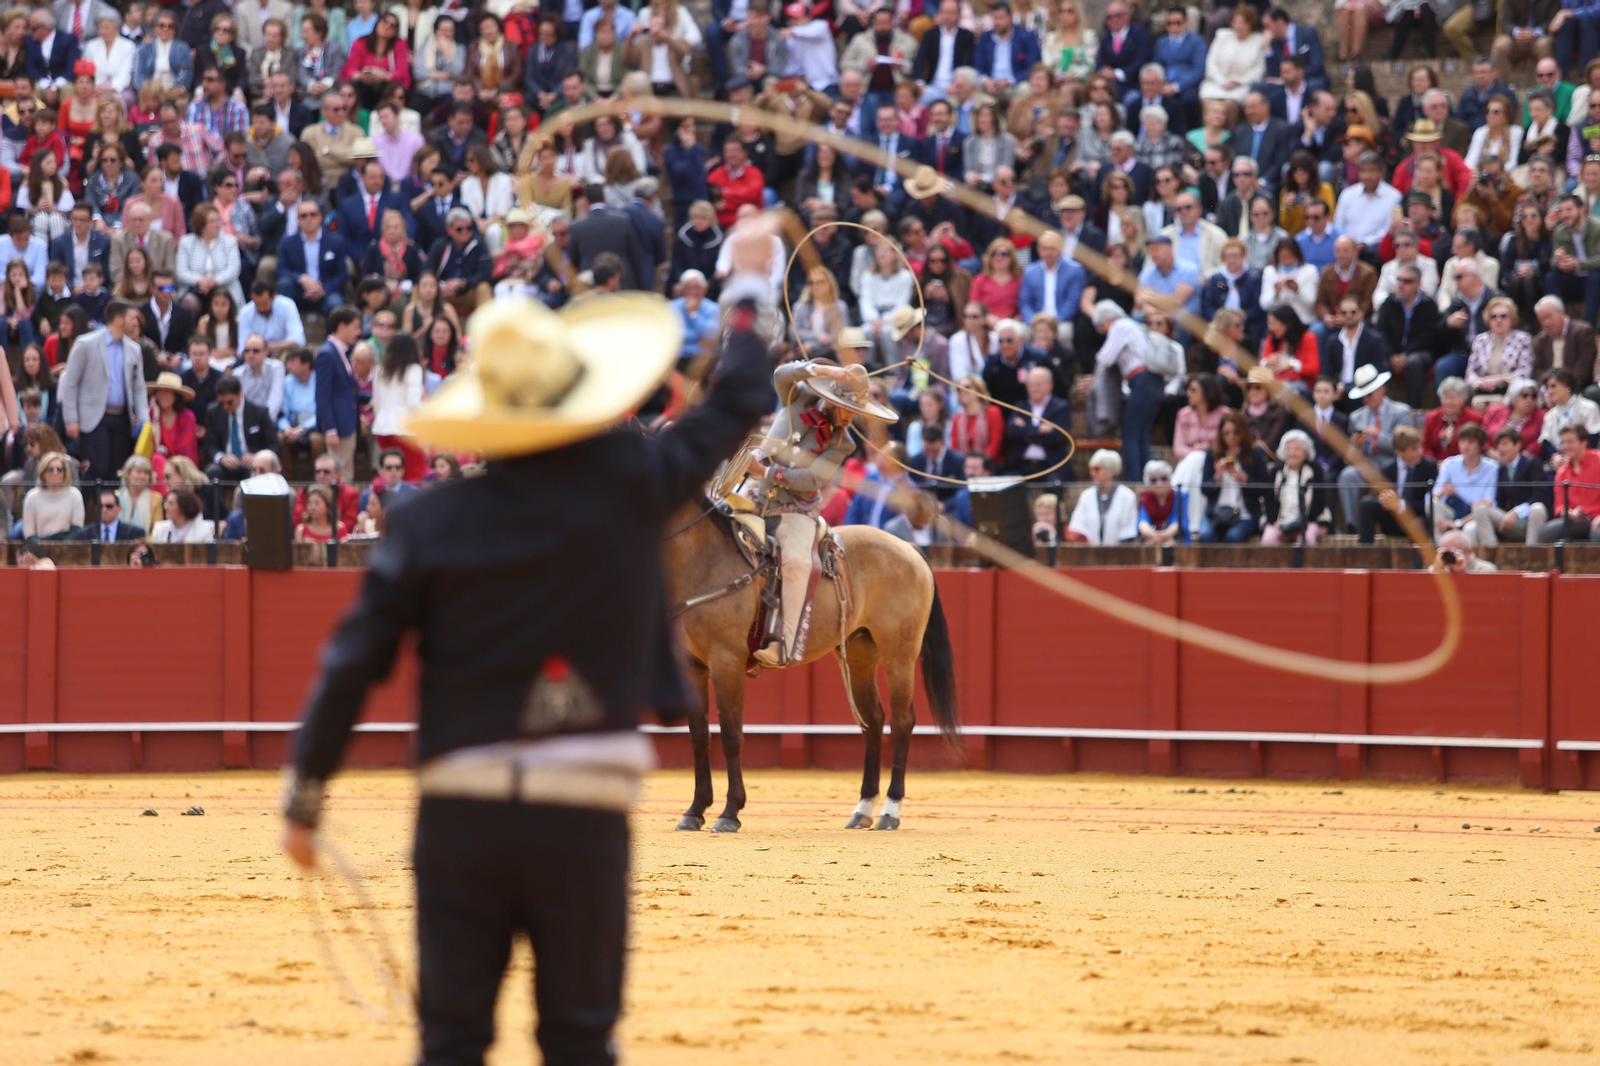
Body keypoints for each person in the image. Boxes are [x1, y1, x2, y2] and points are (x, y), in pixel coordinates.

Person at [746, 357, 898, 666]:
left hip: (795, 509)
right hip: (752, 491)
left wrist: (765, 472)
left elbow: (811, 480)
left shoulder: (844, 443)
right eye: (846, 409)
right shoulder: (798, 395)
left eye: (855, 411)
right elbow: (781, 374)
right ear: (831, 399)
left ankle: (785, 644)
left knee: (797, 562)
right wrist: (825, 371)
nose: (850, 417)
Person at [57, 298, 145, 486]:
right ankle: (81, 502)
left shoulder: (134, 349)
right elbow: (70, 383)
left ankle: (110, 506)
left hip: (122, 418)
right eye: (132, 318)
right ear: (119, 320)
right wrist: (71, 418)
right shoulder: (85, 343)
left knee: (117, 472)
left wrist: (144, 421)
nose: (136, 323)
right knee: (98, 467)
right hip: (94, 417)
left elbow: (139, 387)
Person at [1092, 300, 1163, 483]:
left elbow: (1105, 358)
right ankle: (1147, 479)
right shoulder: (1134, 326)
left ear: (1107, 319)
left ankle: (1135, 480)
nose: (1101, 332)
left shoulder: (1120, 326)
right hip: (1153, 381)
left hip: (1142, 380)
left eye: (1100, 326)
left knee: (1129, 432)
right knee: (1141, 433)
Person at [1338, 364, 1416, 530]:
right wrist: (1355, 446)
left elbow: (1408, 447)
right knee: (1347, 475)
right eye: (1363, 395)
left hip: (1394, 465)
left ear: (1381, 389)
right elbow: (1350, 458)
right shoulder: (1356, 416)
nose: (1366, 399)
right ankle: (1353, 527)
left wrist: (1380, 436)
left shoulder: (1402, 412)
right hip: (1369, 466)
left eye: (1369, 394)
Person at [1375, 263, 1445, 409]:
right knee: (1380, 362)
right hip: (1393, 353)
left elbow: (1429, 336)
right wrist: (1391, 355)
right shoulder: (1388, 303)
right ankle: (1382, 409)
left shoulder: (1429, 305)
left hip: (1420, 352)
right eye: (1399, 280)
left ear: (1418, 284)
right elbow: (1381, 332)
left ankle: (1415, 408)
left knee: (1414, 362)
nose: (1401, 284)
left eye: (1407, 281)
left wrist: (1406, 354)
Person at [1468, 426, 1549, 545]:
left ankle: (1532, 552)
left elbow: (1540, 495)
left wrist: (1517, 512)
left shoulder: (1532, 463)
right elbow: (1500, 501)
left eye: (1505, 444)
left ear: (1517, 445)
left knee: (1537, 508)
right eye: (1499, 445)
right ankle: (1491, 552)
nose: (1500, 449)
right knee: (1480, 509)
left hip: (1532, 520)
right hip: (1511, 523)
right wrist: (1488, 503)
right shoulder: (1502, 470)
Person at [1262, 429, 1328, 545]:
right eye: (1289, 449)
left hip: (1309, 521)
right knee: (1268, 540)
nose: (1292, 453)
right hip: (1280, 522)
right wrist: (1276, 523)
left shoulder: (1315, 471)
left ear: (1306, 453)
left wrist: (1301, 524)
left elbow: (1319, 503)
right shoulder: (1276, 472)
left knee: (1307, 539)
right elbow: (1269, 501)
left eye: (1297, 449)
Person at [1539, 423, 1600, 541]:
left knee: (1597, 535)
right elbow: (1560, 505)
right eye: (1563, 442)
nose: (1565, 446)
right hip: (1576, 520)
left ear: (1584, 442)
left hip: (1598, 518)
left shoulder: (1598, 460)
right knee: (1546, 533)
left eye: (1570, 442)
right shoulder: (1561, 472)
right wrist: (1569, 513)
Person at [1064, 449, 1138, 543]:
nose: (1092, 473)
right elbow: (1077, 527)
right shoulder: (1086, 496)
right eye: (1090, 469)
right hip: (1090, 550)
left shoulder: (1127, 496)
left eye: (1097, 469)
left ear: (1112, 471)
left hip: (1120, 550)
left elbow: (1129, 531)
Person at [1547, 193, 1600, 323]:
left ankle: (1588, 325)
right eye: (1561, 211)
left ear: (1581, 209)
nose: (1564, 214)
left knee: (1594, 276)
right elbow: (1552, 261)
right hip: (1573, 279)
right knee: (1551, 277)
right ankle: (1558, 322)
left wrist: (1578, 264)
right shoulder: (1560, 231)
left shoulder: (1597, 227)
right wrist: (1559, 261)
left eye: (1569, 209)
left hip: (1594, 279)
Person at [21, 449, 82, 538]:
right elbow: (29, 532)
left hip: (67, 543)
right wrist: (40, 546)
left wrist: (64, 545)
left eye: (60, 469)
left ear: (65, 473)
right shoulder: (31, 496)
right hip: (40, 543)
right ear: (43, 474)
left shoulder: (75, 495)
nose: (55, 473)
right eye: (50, 469)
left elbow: (77, 528)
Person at [1136, 458, 1180, 543]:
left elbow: (1177, 521)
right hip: (1151, 538)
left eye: (1163, 478)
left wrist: (1165, 535)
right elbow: (1143, 521)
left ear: (1170, 480)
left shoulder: (1179, 496)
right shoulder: (1145, 496)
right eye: (1154, 480)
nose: (1159, 483)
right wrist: (1152, 534)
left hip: (1176, 538)